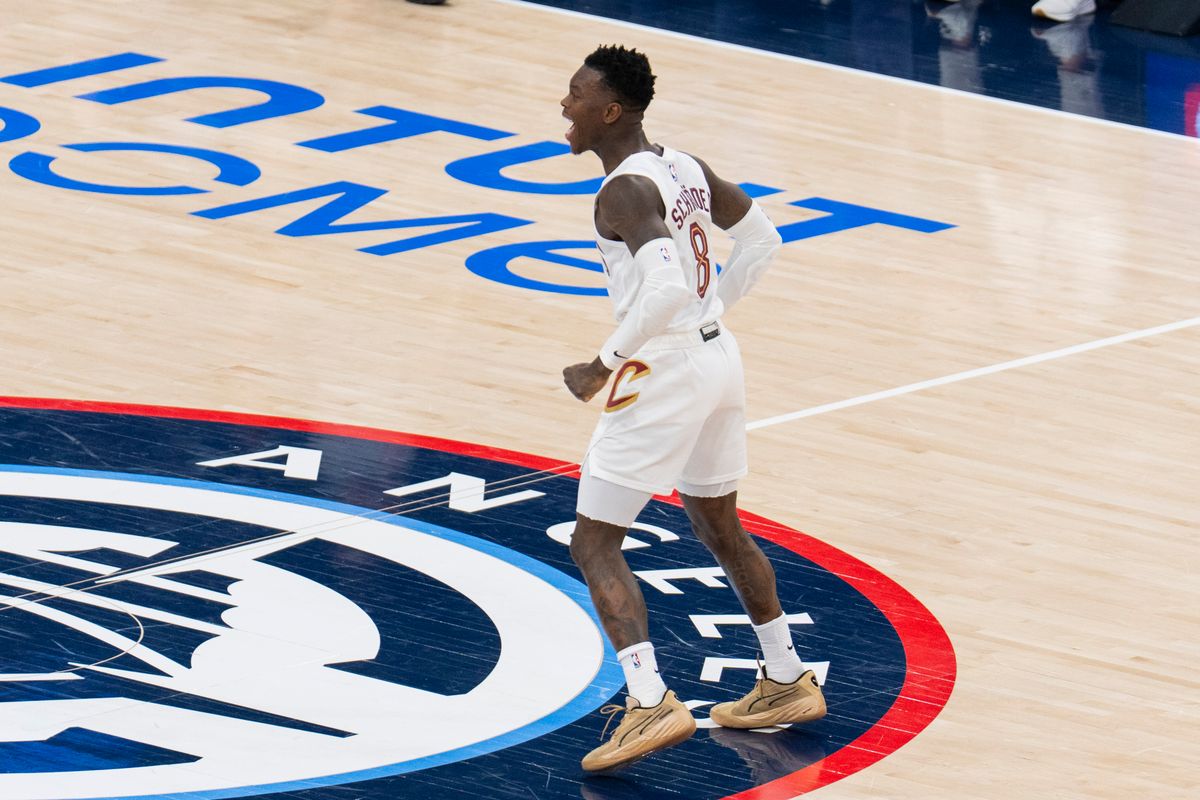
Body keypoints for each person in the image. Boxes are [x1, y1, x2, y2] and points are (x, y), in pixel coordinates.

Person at [559, 44, 826, 774]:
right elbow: (762, 240)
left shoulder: (623, 190)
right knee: (718, 524)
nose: (565, 104)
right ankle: (785, 676)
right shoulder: (683, 166)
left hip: (666, 369)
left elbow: (668, 289)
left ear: (611, 110)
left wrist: (602, 364)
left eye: (577, 94)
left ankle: (648, 701)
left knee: (594, 542)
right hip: (718, 360)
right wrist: (710, 317)